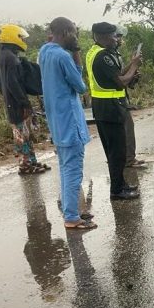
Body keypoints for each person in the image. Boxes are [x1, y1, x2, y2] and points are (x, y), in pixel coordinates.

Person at [39, 17, 96, 230]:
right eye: (73, 33)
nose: (75, 37)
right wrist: (76, 52)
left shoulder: (44, 52)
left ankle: (71, 210)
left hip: (56, 121)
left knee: (65, 168)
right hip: (69, 121)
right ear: (65, 33)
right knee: (73, 169)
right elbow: (80, 86)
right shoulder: (63, 56)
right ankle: (71, 217)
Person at [86, 22, 142, 200]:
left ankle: (121, 185)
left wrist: (132, 69)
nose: (115, 39)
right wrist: (133, 65)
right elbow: (121, 82)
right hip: (109, 108)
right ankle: (117, 190)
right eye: (113, 36)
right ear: (102, 37)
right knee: (116, 152)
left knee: (116, 150)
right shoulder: (103, 56)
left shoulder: (95, 52)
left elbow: (116, 76)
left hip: (105, 106)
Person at [0, 24, 50, 175]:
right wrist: (23, 102)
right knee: (22, 135)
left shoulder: (4, 56)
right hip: (18, 104)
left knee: (26, 133)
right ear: (12, 37)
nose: (22, 40)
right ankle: (25, 165)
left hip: (13, 103)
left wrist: (7, 97)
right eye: (20, 37)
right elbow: (13, 83)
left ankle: (31, 161)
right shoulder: (11, 59)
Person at [114, 26, 146, 168]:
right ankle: (129, 160)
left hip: (117, 99)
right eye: (117, 36)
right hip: (115, 100)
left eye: (120, 37)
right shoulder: (106, 55)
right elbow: (120, 79)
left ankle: (126, 158)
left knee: (124, 130)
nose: (120, 40)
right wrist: (133, 67)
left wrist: (132, 65)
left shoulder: (114, 54)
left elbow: (120, 73)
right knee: (127, 129)